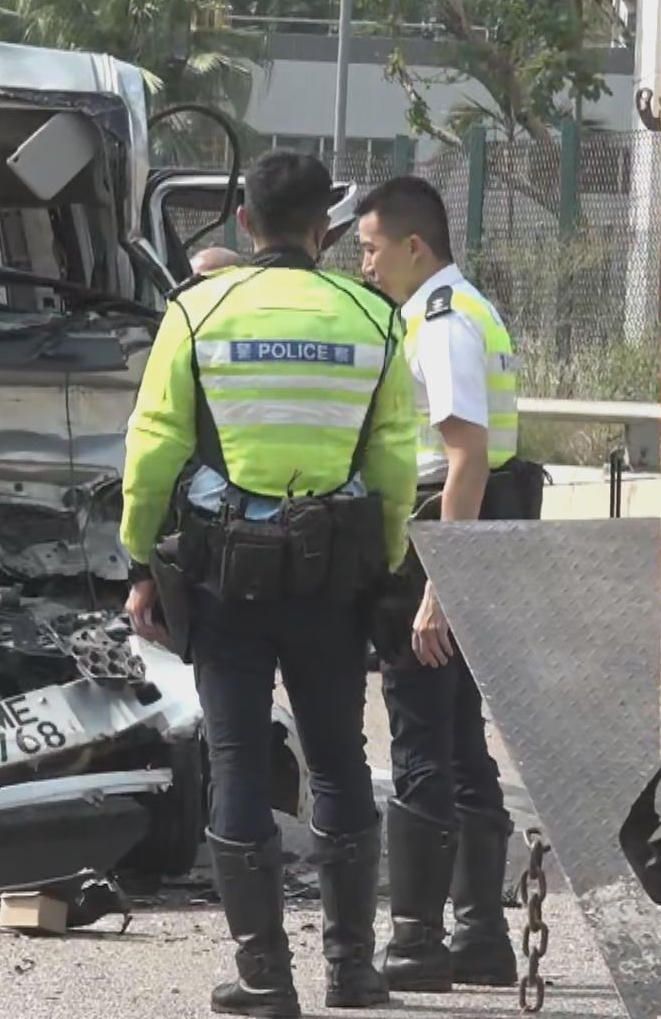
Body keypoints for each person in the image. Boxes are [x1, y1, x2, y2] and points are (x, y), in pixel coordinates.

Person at [122, 151, 418, 1017]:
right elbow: (394, 460)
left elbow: (153, 450)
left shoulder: (197, 310)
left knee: (239, 761)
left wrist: (141, 561)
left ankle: (264, 978)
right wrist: (387, 561)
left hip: (221, 581)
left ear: (243, 224)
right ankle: (354, 973)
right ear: (323, 230)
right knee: (338, 763)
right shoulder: (375, 316)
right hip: (336, 581)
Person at [356, 176, 532, 991]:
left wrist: (439, 585)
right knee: (461, 736)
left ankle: (419, 943)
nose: (366, 263)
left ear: (413, 246)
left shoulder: (442, 323)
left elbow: (463, 454)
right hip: (481, 535)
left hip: (443, 537)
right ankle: (482, 939)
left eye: (371, 247)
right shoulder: (472, 308)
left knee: (423, 737)